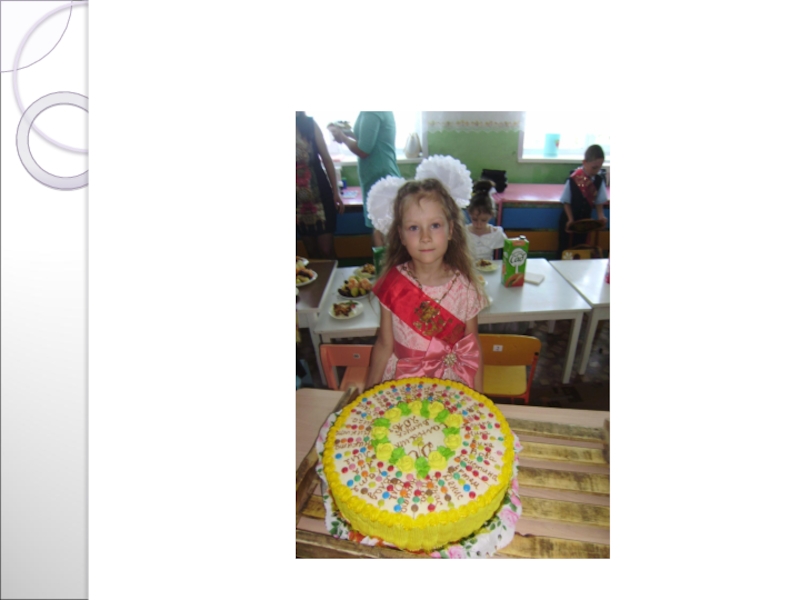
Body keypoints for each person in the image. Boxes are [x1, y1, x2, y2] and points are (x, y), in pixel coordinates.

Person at [365, 179, 488, 392]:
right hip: (403, 383)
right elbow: (384, 345)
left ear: (451, 230)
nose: (425, 237)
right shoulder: (393, 283)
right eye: (414, 227)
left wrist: (479, 398)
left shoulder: (466, 288)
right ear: (401, 236)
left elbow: (471, 347)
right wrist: (367, 396)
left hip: (448, 386)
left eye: (435, 225)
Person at [329, 112, 402, 247]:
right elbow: (367, 138)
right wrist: (346, 133)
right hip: (380, 176)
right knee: (382, 232)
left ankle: (383, 260)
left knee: (382, 234)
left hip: (380, 177)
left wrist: (342, 137)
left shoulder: (372, 111)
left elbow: (363, 150)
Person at [296, 111, 344, 259]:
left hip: (320, 196)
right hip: (297, 203)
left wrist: (336, 192)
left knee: (326, 250)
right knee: (311, 252)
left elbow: (327, 160)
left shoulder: (309, 124)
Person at [558, 144, 608, 255]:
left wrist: (601, 216)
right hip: (569, 220)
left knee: (581, 249)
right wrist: (570, 219)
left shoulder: (599, 180)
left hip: (584, 222)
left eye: (599, 167)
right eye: (594, 167)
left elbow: (599, 202)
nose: (596, 170)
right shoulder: (573, 178)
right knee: (566, 249)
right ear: (584, 162)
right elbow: (566, 202)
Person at [466, 179, 507, 261]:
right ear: (469, 213)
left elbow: (509, 249)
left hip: (489, 268)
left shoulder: (495, 233)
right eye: (474, 219)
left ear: (491, 215)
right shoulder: (464, 232)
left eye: (483, 220)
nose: (478, 224)